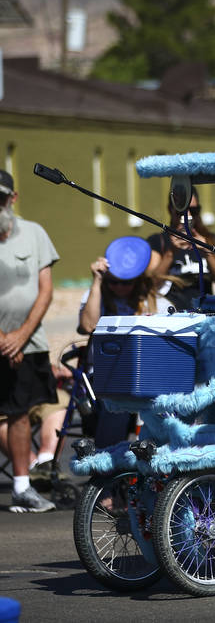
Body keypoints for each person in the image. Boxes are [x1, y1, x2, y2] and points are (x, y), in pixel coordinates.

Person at [0, 169, 60, 513]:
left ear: (13, 198)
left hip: (29, 343)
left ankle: (22, 487)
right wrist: (4, 341)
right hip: (6, 344)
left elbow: (46, 289)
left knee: (20, 413)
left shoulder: (34, 233)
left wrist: (20, 337)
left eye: (0, 198)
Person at [79, 236, 174, 448]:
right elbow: (87, 326)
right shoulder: (96, 295)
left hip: (147, 373)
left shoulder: (154, 301)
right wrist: (97, 280)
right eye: (113, 282)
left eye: (126, 282)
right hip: (107, 374)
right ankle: (108, 462)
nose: (119, 287)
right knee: (119, 402)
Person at [147, 186, 215, 310]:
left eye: (193, 211)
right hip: (172, 313)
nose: (187, 215)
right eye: (181, 210)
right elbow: (152, 283)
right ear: (170, 209)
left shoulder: (209, 238)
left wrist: (206, 250)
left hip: (204, 312)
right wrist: (170, 254)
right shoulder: (158, 240)